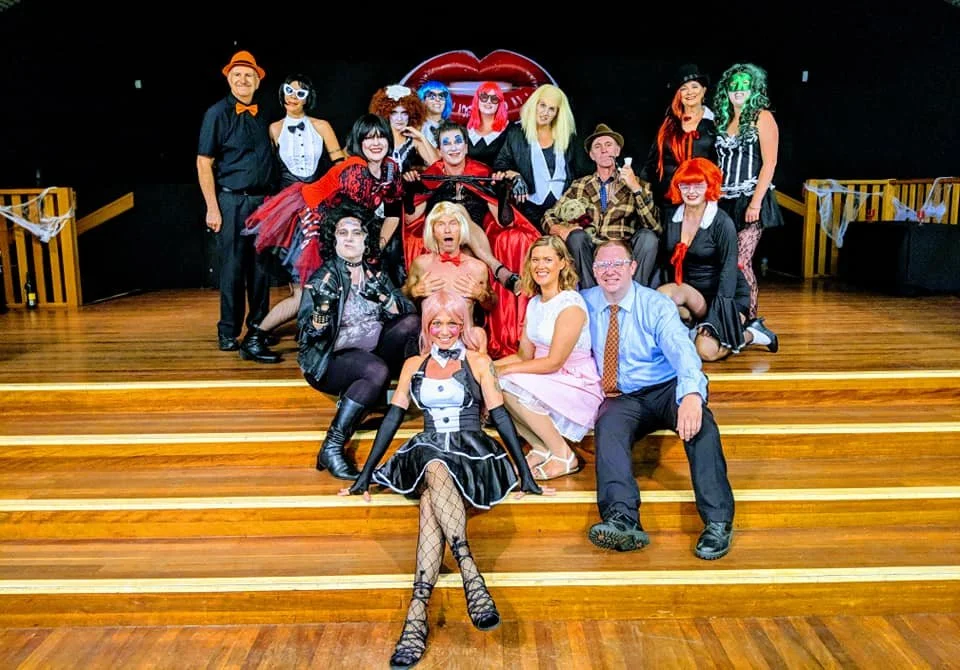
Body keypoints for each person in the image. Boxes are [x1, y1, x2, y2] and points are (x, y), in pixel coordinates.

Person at [342, 290, 550, 669]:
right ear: (427, 326)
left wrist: (525, 475)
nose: (443, 330)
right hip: (429, 449)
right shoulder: (412, 365)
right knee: (434, 467)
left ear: (462, 325)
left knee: (431, 493)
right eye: (435, 323)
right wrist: (366, 474)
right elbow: (391, 420)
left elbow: (501, 418)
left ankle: (417, 613)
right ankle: (469, 575)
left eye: (451, 322)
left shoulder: (479, 361)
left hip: (471, 453)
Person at [582, 240, 734, 560]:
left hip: (665, 387)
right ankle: (622, 518)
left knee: (702, 426)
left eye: (618, 265)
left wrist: (692, 393)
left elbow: (681, 350)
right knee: (607, 426)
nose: (610, 272)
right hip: (622, 395)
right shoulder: (584, 303)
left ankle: (718, 521)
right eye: (602, 266)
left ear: (633, 267)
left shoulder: (655, 305)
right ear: (594, 271)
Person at [243, 114, 405, 356]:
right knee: (306, 292)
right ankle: (254, 338)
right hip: (312, 220)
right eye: (368, 138)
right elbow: (345, 219)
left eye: (380, 136)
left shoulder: (391, 169)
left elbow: (393, 212)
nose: (376, 143)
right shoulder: (355, 172)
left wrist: (379, 244)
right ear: (358, 143)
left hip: (340, 227)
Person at [297, 201, 419, 480]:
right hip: (331, 359)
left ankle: (398, 392)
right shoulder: (324, 278)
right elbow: (307, 335)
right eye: (343, 233)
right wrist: (320, 318)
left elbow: (407, 309)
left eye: (357, 233)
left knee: (411, 324)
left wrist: (386, 298)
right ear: (334, 239)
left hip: (371, 350)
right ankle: (333, 445)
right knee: (375, 370)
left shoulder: (374, 274)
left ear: (366, 240)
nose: (350, 238)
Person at [404, 121, 540, 359]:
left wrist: (503, 194)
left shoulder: (481, 172)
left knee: (463, 218)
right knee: (456, 214)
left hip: (475, 236)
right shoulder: (432, 174)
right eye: (446, 143)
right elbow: (412, 218)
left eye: (458, 141)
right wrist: (411, 192)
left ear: (466, 147)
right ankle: (499, 270)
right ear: (440, 150)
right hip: (440, 235)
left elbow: (504, 221)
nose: (453, 147)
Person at [495, 236, 603, 480]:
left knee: (506, 383)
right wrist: (487, 366)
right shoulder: (534, 303)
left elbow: (554, 361)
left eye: (547, 260)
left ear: (562, 263)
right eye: (535, 260)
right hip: (545, 373)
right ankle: (541, 448)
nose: (540, 266)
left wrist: (504, 372)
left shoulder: (570, 304)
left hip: (574, 381)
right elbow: (524, 355)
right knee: (491, 381)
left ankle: (563, 455)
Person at [656, 157, 778, 360]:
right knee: (660, 297)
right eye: (685, 185)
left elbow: (729, 270)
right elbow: (666, 262)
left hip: (726, 295)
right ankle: (694, 324)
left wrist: (715, 317)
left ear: (709, 186)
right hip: (695, 293)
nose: (691, 191)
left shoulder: (722, 222)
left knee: (705, 351)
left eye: (698, 185)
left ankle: (751, 334)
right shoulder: (672, 216)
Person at [197, 50, 278, 355]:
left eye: (249, 75)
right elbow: (204, 162)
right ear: (229, 80)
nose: (243, 80)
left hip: (263, 202)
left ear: (258, 81)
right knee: (232, 269)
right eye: (237, 75)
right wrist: (212, 207)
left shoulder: (267, 113)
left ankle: (258, 329)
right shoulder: (217, 113)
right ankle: (229, 331)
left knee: (261, 270)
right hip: (231, 202)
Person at [542, 123, 662, 288]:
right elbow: (549, 215)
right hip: (591, 254)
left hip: (624, 250)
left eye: (608, 145)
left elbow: (654, 226)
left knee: (649, 238)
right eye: (597, 147)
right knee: (576, 237)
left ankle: (634, 294)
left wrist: (635, 188)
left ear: (617, 151)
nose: (604, 150)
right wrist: (561, 230)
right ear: (592, 155)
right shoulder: (580, 185)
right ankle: (591, 295)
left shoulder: (639, 184)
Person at [713, 62, 784, 321]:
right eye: (734, 86)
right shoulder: (723, 119)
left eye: (744, 85)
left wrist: (755, 203)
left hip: (750, 198)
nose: (738, 90)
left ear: (754, 88)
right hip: (722, 200)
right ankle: (727, 316)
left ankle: (751, 319)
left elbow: (770, 162)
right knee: (723, 262)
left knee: (741, 261)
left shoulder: (762, 117)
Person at [493, 84, 590, 228]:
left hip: (563, 210)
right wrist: (514, 175)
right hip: (530, 209)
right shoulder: (517, 134)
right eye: (542, 105)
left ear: (557, 113)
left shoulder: (568, 137)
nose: (545, 112)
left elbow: (581, 171)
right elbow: (500, 164)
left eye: (551, 109)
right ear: (535, 105)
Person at [403, 201, 494, 352]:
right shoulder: (421, 264)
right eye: (440, 224)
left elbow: (492, 304)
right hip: (429, 343)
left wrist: (481, 295)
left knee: (479, 334)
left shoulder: (477, 267)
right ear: (432, 231)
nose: (447, 230)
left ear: (461, 229)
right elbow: (402, 296)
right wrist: (414, 291)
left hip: (466, 343)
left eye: (453, 224)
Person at [640, 64, 718, 210]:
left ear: (704, 91)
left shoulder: (716, 125)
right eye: (683, 88)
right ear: (678, 94)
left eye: (694, 86)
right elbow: (651, 163)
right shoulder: (668, 125)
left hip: (703, 200)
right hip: (669, 200)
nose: (689, 92)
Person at [466, 81, 510, 168]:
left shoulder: (511, 130)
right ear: (477, 101)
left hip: (499, 180)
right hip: (469, 180)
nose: (489, 101)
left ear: (499, 104)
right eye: (484, 97)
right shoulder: (466, 129)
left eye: (494, 99)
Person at [417, 80, 452, 147]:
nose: (437, 100)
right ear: (423, 101)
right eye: (432, 97)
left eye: (441, 96)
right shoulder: (417, 127)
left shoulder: (453, 127)